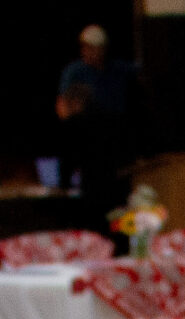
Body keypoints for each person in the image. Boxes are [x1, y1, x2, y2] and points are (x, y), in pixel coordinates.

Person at [56, 24, 140, 206]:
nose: (91, 52)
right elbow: (63, 104)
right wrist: (70, 128)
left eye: (96, 48)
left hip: (115, 134)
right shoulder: (75, 72)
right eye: (87, 48)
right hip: (85, 133)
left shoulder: (119, 69)